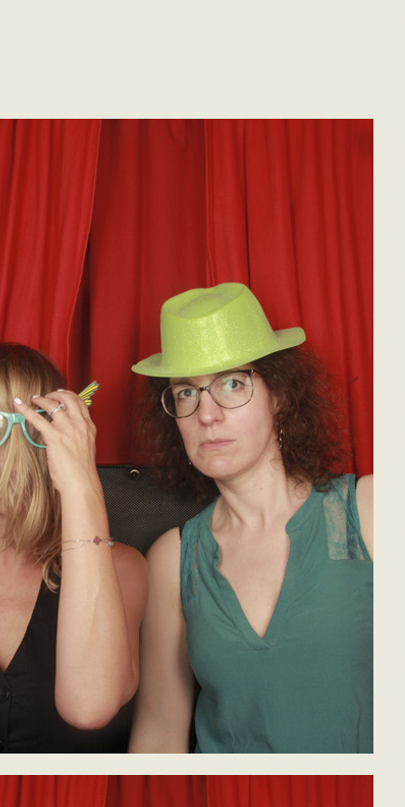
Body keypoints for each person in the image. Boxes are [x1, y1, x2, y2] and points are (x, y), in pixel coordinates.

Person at [128, 284, 373, 754]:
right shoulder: (173, 559)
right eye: (186, 392)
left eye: (232, 384)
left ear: (278, 395)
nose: (207, 415)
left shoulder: (366, 511)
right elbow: (159, 732)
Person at [0, 343, 147, 752]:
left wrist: (82, 485)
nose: (16, 459)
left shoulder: (122, 568)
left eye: (37, 429)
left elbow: (89, 707)